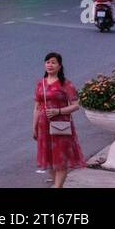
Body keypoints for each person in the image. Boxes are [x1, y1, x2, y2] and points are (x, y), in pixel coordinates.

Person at [33, 52, 85, 187]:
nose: (50, 65)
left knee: (60, 157)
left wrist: (59, 111)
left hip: (60, 125)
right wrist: (34, 127)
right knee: (49, 158)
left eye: (53, 62)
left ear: (60, 66)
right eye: (48, 62)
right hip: (43, 125)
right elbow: (37, 108)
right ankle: (59, 185)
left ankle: (57, 187)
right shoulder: (40, 84)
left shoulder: (66, 84)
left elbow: (76, 105)